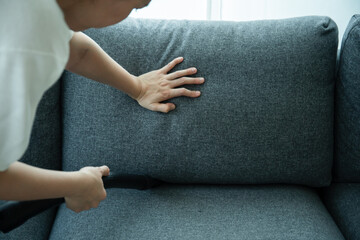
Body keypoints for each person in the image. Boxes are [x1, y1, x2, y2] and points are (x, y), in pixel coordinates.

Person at [0, 0, 204, 213]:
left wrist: (138, 87)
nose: (126, 16)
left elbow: (75, 49)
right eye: (136, 6)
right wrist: (77, 185)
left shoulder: (32, 13)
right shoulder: (22, 50)